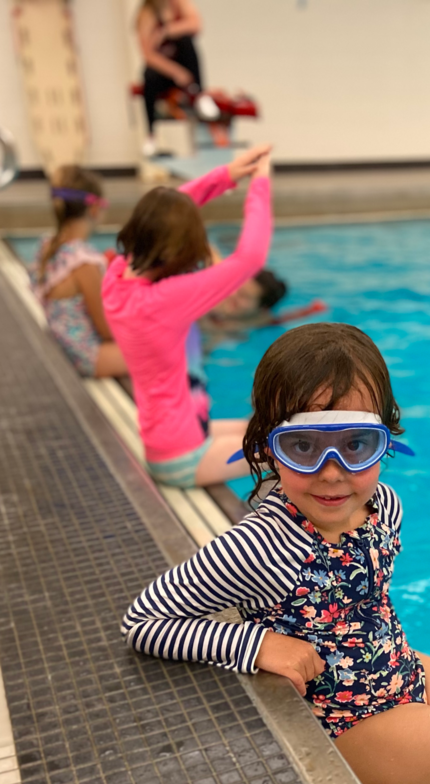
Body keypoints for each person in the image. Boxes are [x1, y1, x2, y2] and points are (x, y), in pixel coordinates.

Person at [121, 323, 430, 784]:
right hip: (345, 727)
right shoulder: (263, 543)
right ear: (268, 447)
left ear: (385, 440)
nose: (331, 472)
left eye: (356, 445)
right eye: (303, 446)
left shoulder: (385, 506)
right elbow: (144, 621)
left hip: (399, 672)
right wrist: (258, 643)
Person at [102, 143, 272, 489]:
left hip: (176, 439)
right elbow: (250, 258)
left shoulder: (116, 277)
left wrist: (225, 176)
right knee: (295, 452)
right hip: (184, 458)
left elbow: (161, 217)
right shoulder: (163, 300)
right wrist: (260, 183)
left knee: (269, 428)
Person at [31, 166, 128, 379]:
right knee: (158, 353)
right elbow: (106, 331)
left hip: (61, 343)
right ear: (94, 209)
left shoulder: (47, 245)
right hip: (84, 355)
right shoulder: (85, 263)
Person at [136, 0, 219, 157]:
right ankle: (151, 135)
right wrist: (176, 72)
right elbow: (148, 55)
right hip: (162, 70)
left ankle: (200, 95)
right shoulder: (146, 13)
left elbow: (196, 25)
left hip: (183, 66)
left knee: (186, 41)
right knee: (148, 77)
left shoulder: (180, 4)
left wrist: (166, 31)